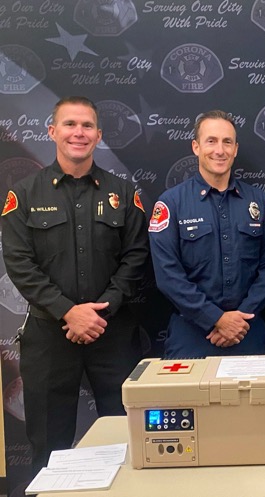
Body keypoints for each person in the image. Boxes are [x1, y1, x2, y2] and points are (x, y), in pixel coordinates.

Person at [1, 96, 149, 474]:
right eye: (69, 124)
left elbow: (136, 257)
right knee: (49, 448)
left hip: (112, 332)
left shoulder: (124, 193)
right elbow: (19, 262)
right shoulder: (25, 195)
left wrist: (102, 310)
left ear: (98, 135)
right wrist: (68, 311)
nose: (78, 133)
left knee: (130, 442)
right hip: (50, 334)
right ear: (52, 131)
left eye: (87, 126)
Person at [149, 110, 265, 358]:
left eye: (227, 142)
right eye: (211, 141)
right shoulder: (171, 203)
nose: (219, 150)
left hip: (247, 330)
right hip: (191, 333)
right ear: (196, 147)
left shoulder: (258, 201)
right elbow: (168, 275)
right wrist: (214, 318)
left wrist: (239, 320)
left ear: (235, 149)